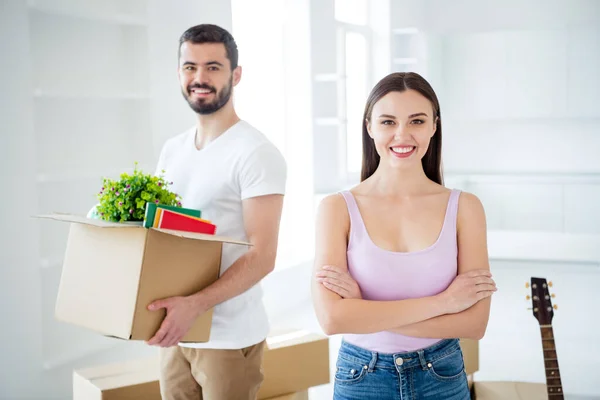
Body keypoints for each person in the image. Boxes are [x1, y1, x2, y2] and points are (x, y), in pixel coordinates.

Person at [311, 72, 496, 399]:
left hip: (441, 373)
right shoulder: (336, 209)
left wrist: (363, 309)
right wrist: (445, 303)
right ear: (369, 127)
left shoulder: (465, 208)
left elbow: (474, 324)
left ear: (434, 126)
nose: (402, 134)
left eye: (417, 121)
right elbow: (332, 318)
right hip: (361, 377)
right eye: (387, 122)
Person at [145, 24, 287, 400]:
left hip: (227, 336)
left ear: (235, 74)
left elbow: (263, 256)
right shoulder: (172, 150)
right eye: (190, 67)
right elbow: (165, 238)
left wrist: (195, 305)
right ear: (179, 73)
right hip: (174, 330)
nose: (199, 78)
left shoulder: (255, 152)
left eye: (213, 67)